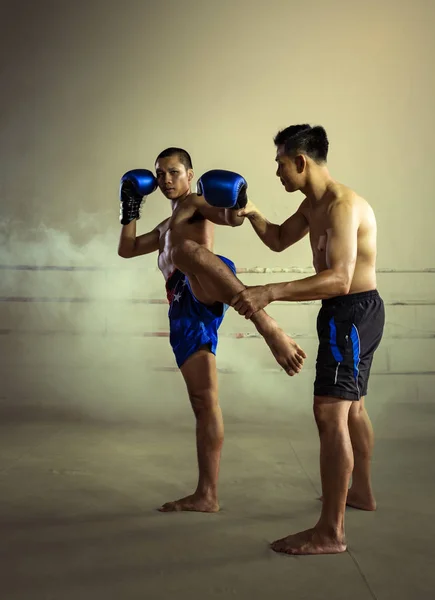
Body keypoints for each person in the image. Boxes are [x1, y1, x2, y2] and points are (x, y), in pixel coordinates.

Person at [117, 147, 307, 513]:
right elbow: (127, 249)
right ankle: (207, 495)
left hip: (205, 285)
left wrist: (242, 202)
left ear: (190, 175)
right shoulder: (164, 228)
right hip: (182, 312)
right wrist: (129, 206)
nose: (166, 180)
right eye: (160, 174)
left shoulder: (195, 204)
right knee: (204, 402)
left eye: (174, 172)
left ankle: (266, 325)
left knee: (187, 251)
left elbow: (231, 218)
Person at [232, 125, 385, 555]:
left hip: (350, 313)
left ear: (300, 161)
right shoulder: (312, 204)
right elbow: (280, 240)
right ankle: (361, 494)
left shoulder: (340, 205)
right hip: (351, 314)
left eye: (281, 164)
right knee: (351, 407)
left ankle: (330, 533)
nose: (277, 172)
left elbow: (339, 279)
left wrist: (269, 291)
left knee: (328, 413)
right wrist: (254, 214)